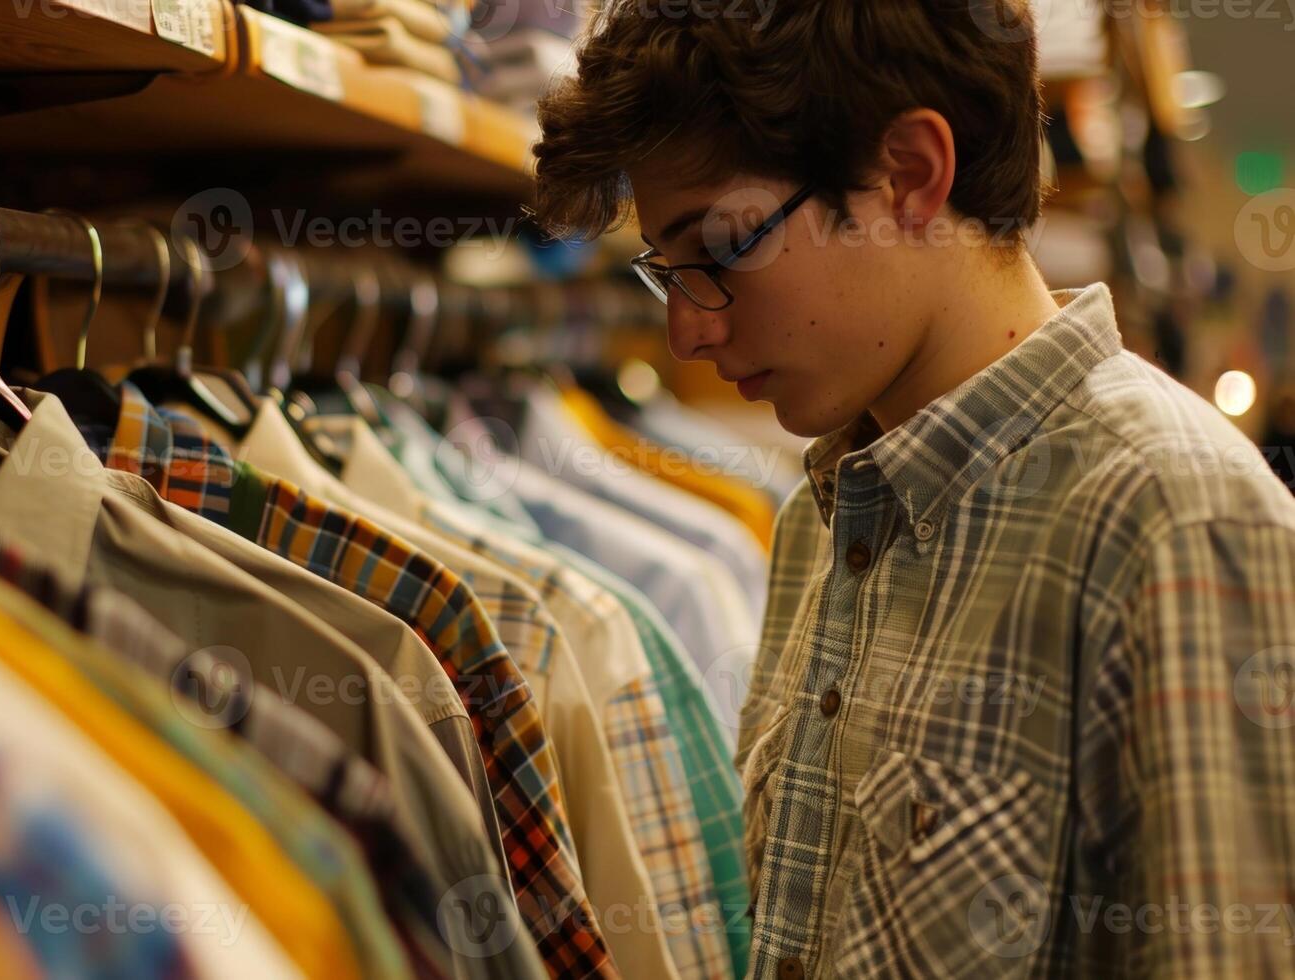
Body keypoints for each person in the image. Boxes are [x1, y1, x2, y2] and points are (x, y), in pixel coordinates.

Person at [530, 1, 1295, 977]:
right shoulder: (826, 510)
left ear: (910, 175)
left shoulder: (1175, 525)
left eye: (719, 251)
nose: (686, 332)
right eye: (663, 271)